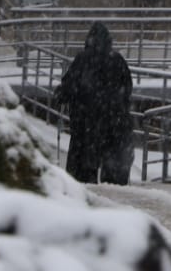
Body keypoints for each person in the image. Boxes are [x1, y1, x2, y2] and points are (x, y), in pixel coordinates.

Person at [56, 22, 135, 184]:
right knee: (114, 175)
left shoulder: (82, 60)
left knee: (82, 173)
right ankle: (113, 199)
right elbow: (127, 88)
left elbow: (67, 87)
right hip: (115, 123)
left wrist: (63, 96)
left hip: (86, 124)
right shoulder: (117, 60)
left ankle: (83, 200)